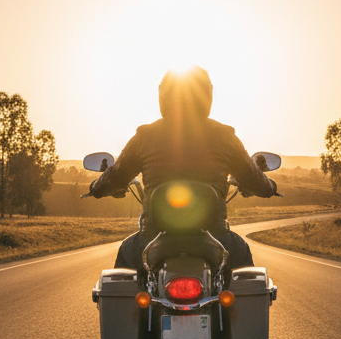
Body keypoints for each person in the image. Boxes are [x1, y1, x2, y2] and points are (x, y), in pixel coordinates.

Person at [88, 67, 278, 272]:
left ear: (163, 94)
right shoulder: (226, 137)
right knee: (244, 267)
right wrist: (271, 186)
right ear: (207, 93)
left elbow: (114, 177)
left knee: (125, 259)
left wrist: (95, 187)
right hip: (216, 236)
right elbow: (258, 182)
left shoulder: (144, 137)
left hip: (152, 235)